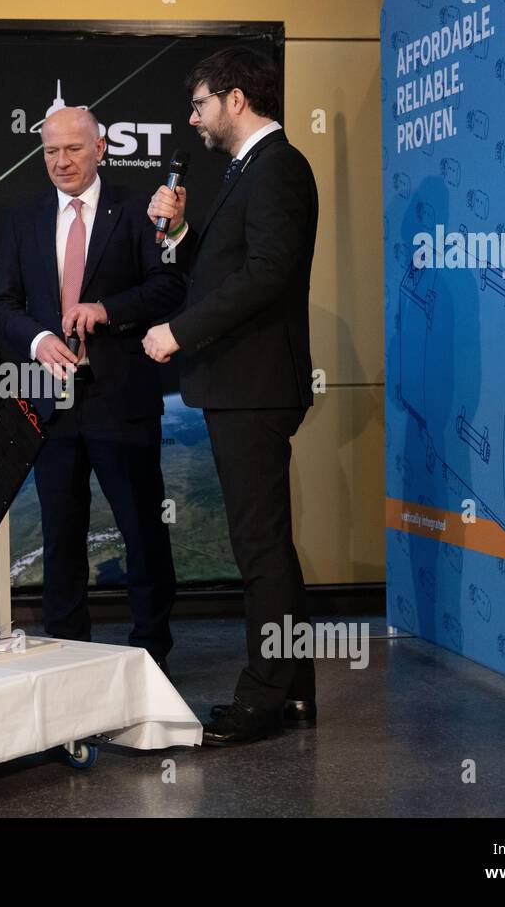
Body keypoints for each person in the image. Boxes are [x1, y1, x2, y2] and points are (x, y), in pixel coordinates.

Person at [144, 46, 319, 744]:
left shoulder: (279, 168)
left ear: (235, 99)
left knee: (260, 547)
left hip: (254, 386)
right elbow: (226, 272)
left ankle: (262, 701)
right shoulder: (247, 170)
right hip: (240, 384)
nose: (194, 120)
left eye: (199, 104)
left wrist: (178, 333)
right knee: (268, 543)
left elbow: (268, 276)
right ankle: (294, 688)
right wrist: (182, 233)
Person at [0, 107, 185, 672]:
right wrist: (37, 339)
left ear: (101, 147)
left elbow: (169, 286)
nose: (61, 161)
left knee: (143, 532)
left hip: (122, 401)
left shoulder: (137, 210)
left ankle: (151, 658)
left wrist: (107, 310)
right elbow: (1, 306)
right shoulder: (23, 219)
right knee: (61, 541)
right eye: (51, 151)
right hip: (52, 405)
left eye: (73, 149)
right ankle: (66, 659)